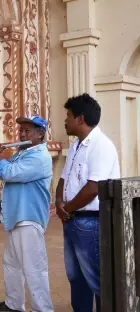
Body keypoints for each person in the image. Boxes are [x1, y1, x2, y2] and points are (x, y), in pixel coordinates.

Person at [55, 93, 120, 312]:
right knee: (76, 277)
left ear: (80, 119)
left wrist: (67, 209)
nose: (65, 120)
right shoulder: (76, 146)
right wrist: (58, 202)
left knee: (97, 279)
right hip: (73, 219)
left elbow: (94, 187)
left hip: (90, 221)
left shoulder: (101, 145)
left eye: (68, 115)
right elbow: (64, 177)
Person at [0, 116, 54, 312]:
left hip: (28, 218)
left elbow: (9, 173)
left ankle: (43, 309)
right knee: (11, 264)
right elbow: (9, 167)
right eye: (21, 130)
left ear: (40, 134)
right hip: (16, 217)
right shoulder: (22, 153)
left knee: (34, 269)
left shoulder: (40, 157)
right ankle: (14, 304)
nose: (22, 134)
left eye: (27, 131)